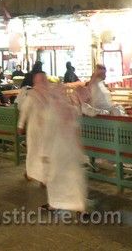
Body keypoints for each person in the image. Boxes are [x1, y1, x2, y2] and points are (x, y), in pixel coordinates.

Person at [42, 78, 87, 212]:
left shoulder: (50, 112)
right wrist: (79, 149)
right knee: (74, 176)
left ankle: (56, 203)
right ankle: (79, 206)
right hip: (69, 148)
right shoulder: (70, 109)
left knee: (56, 176)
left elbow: (47, 133)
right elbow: (76, 130)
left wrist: (45, 153)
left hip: (58, 148)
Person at [17, 71, 50, 185]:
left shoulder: (48, 93)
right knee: (34, 152)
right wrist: (20, 125)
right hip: (35, 128)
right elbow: (25, 110)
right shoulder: (32, 94)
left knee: (45, 152)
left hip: (46, 128)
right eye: (43, 79)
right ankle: (30, 172)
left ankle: (43, 178)